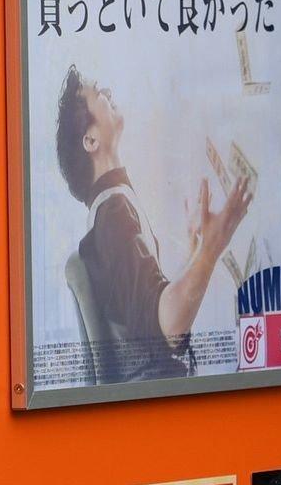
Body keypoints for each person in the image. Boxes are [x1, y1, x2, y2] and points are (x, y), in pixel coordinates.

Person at [52, 66, 253, 386]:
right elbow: (166, 332)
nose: (108, 95)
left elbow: (147, 312)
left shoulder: (110, 210)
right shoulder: (115, 212)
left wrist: (194, 252)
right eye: (98, 94)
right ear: (90, 140)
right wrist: (210, 250)